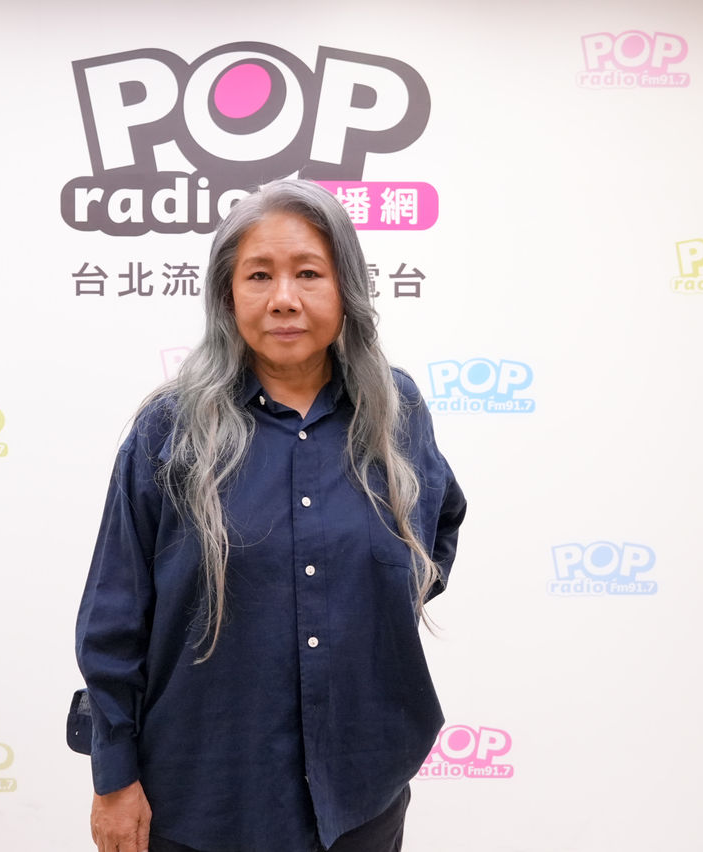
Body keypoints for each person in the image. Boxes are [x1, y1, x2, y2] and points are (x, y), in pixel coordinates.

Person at [75, 178, 466, 852]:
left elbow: (439, 527)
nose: (284, 298)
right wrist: (115, 777)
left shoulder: (395, 413)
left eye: (309, 273)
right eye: (259, 275)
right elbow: (115, 616)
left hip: (360, 796)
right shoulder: (170, 430)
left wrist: (360, 614)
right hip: (204, 796)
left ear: (346, 288)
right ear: (228, 295)